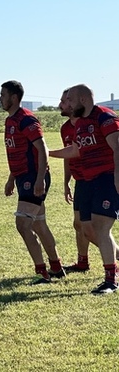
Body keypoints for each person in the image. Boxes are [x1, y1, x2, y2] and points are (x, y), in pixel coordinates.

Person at [49, 84, 119, 294]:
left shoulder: (104, 117)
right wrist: (46, 152)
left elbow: (118, 146)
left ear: (82, 100)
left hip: (106, 179)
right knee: (86, 229)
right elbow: (76, 150)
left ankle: (111, 279)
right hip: (87, 181)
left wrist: (117, 177)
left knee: (100, 226)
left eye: (69, 100)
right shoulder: (82, 124)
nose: (67, 104)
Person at [0, 80, 64, 284]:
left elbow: (42, 148)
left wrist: (39, 179)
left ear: (14, 97)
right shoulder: (10, 120)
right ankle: (56, 267)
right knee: (39, 225)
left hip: (33, 177)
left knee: (23, 224)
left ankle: (42, 273)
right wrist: (11, 178)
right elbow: (16, 152)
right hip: (22, 177)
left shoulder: (26, 119)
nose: (0, 98)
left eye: (3, 95)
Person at [58, 89, 91, 273]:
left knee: (94, 227)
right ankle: (83, 262)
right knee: (78, 224)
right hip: (80, 180)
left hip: (97, 180)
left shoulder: (90, 123)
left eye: (64, 101)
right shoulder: (65, 128)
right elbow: (68, 156)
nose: (60, 105)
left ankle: (113, 261)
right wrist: (66, 182)